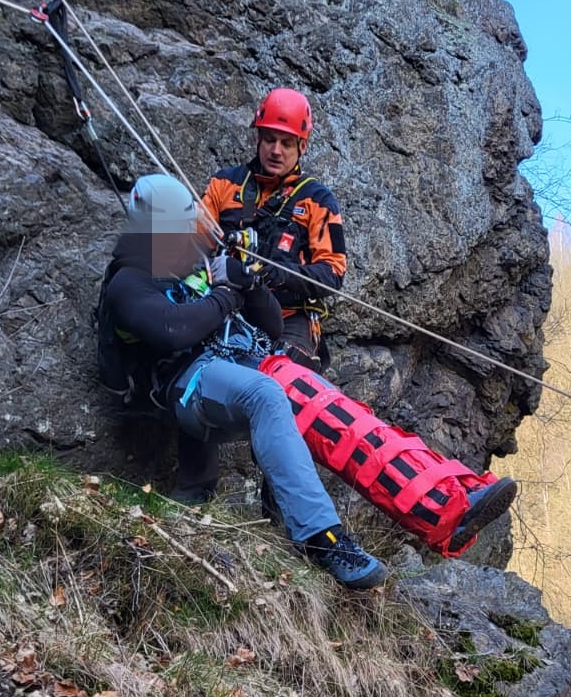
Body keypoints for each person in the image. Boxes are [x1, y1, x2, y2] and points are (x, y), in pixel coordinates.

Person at [95, 172, 387, 589]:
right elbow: (173, 330)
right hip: (186, 385)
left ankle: (418, 495)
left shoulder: (187, 263)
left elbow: (269, 326)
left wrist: (247, 281)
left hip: (228, 365)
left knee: (313, 395)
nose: (186, 235)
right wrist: (225, 296)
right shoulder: (128, 281)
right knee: (264, 394)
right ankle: (323, 539)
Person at [199, 87, 340, 373]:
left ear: (302, 146)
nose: (276, 151)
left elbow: (333, 272)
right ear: (258, 138)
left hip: (289, 318)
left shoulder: (319, 201)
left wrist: (276, 271)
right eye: (270, 140)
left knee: (282, 376)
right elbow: (193, 242)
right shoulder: (224, 185)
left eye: (287, 143)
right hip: (228, 303)